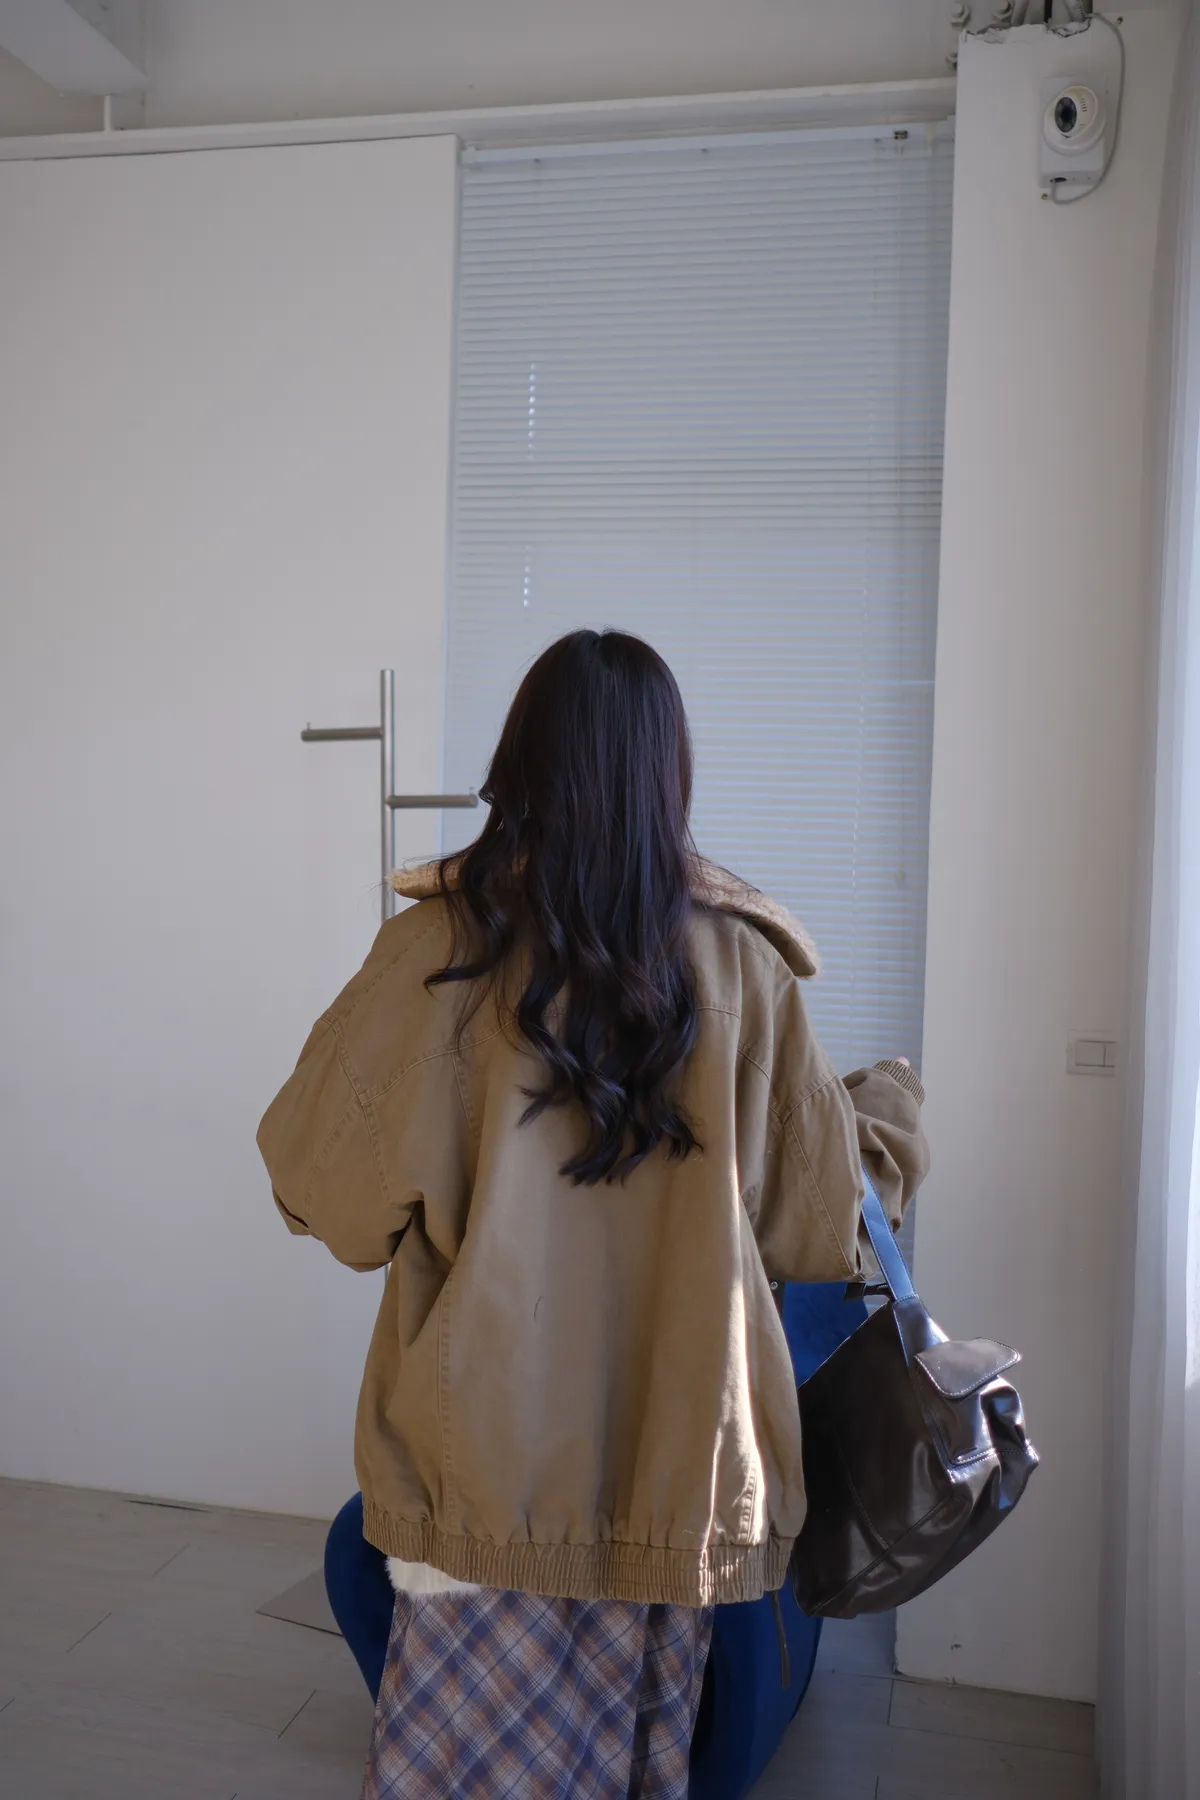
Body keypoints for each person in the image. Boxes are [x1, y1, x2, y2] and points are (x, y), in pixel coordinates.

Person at [256, 629, 929, 1800]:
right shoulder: (748, 967)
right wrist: (893, 1116)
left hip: (480, 1477)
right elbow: (818, 1231)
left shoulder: (432, 956)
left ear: (518, 761)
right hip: (676, 1476)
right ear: (669, 774)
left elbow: (324, 1195)